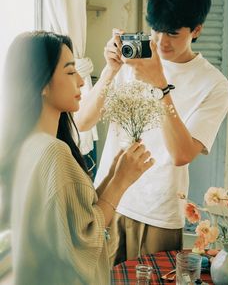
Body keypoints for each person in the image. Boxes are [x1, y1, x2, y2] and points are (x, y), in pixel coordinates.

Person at [76, 0, 228, 265]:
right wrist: (111, 70)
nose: (161, 42)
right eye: (156, 30)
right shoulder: (133, 58)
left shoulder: (215, 85)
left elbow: (181, 154)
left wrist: (161, 87)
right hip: (108, 197)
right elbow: (83, 122)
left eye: (172, 33)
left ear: (196, 30)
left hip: (158, 210)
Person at [0, 31, 154, 285]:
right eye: (71, 72)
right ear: (42, 84)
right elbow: (84, 237)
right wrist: (121, 182)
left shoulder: (24, 143)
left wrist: (112, 175)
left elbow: (75, 215)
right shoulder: (53, 153)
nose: (82, 82)